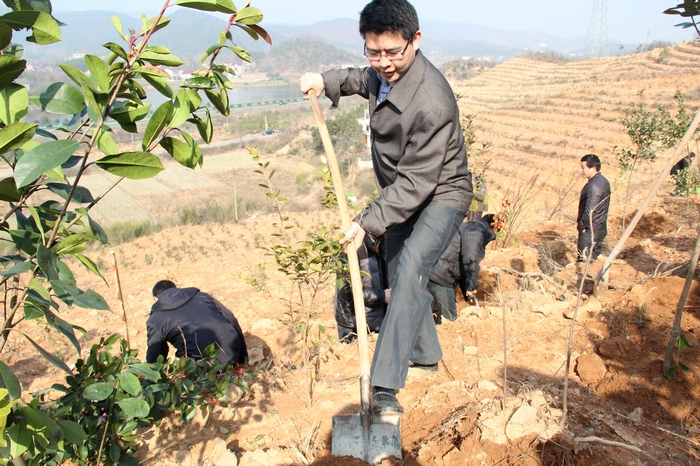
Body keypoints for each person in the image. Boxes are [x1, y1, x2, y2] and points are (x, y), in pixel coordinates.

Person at [300, 0, 473, 417]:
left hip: (441, 193)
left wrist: (367, 221)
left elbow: (418, 181)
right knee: (398, 272)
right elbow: (361, 79)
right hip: (402, 193)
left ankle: (383, 384)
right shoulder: (383, 73)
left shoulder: (432, 101)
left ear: (416, 40)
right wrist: (324, 80)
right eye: (373, 52)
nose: (384, 63)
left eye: (393, 52)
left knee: (411, 267)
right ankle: (426, 356)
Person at [146, 280, 248, 365]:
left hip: (201, 361)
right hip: (231, 348)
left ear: (155, 299)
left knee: (178, 365)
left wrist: (151, 378)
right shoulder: (202, 296)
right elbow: (230, 318)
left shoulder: (155, 319)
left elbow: (155, 352)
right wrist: (242, 358)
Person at [428, 214, 498, 322]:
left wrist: (468, 292)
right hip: (441, 274)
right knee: (450, 320)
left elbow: (463, 264)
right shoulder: (476, 231)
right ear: (493, 225)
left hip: (441, 270)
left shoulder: (475, 228)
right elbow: (470, 259)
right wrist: (471, 287)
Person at [334, 235, 390, 342]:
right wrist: (382, 296)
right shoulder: (350, 245)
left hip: (380, 319)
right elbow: (346, 289)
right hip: (353, 322)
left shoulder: (385, 241)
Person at [577, 154, 611, 262]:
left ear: (593, 168)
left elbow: (590, 210)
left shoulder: (594, 186)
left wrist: (581, 226)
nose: (581, 170)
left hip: (590, 229)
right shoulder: (603, 181)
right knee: (593, 258)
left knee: (584, 260)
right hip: (599, 226)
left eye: (583, 168)